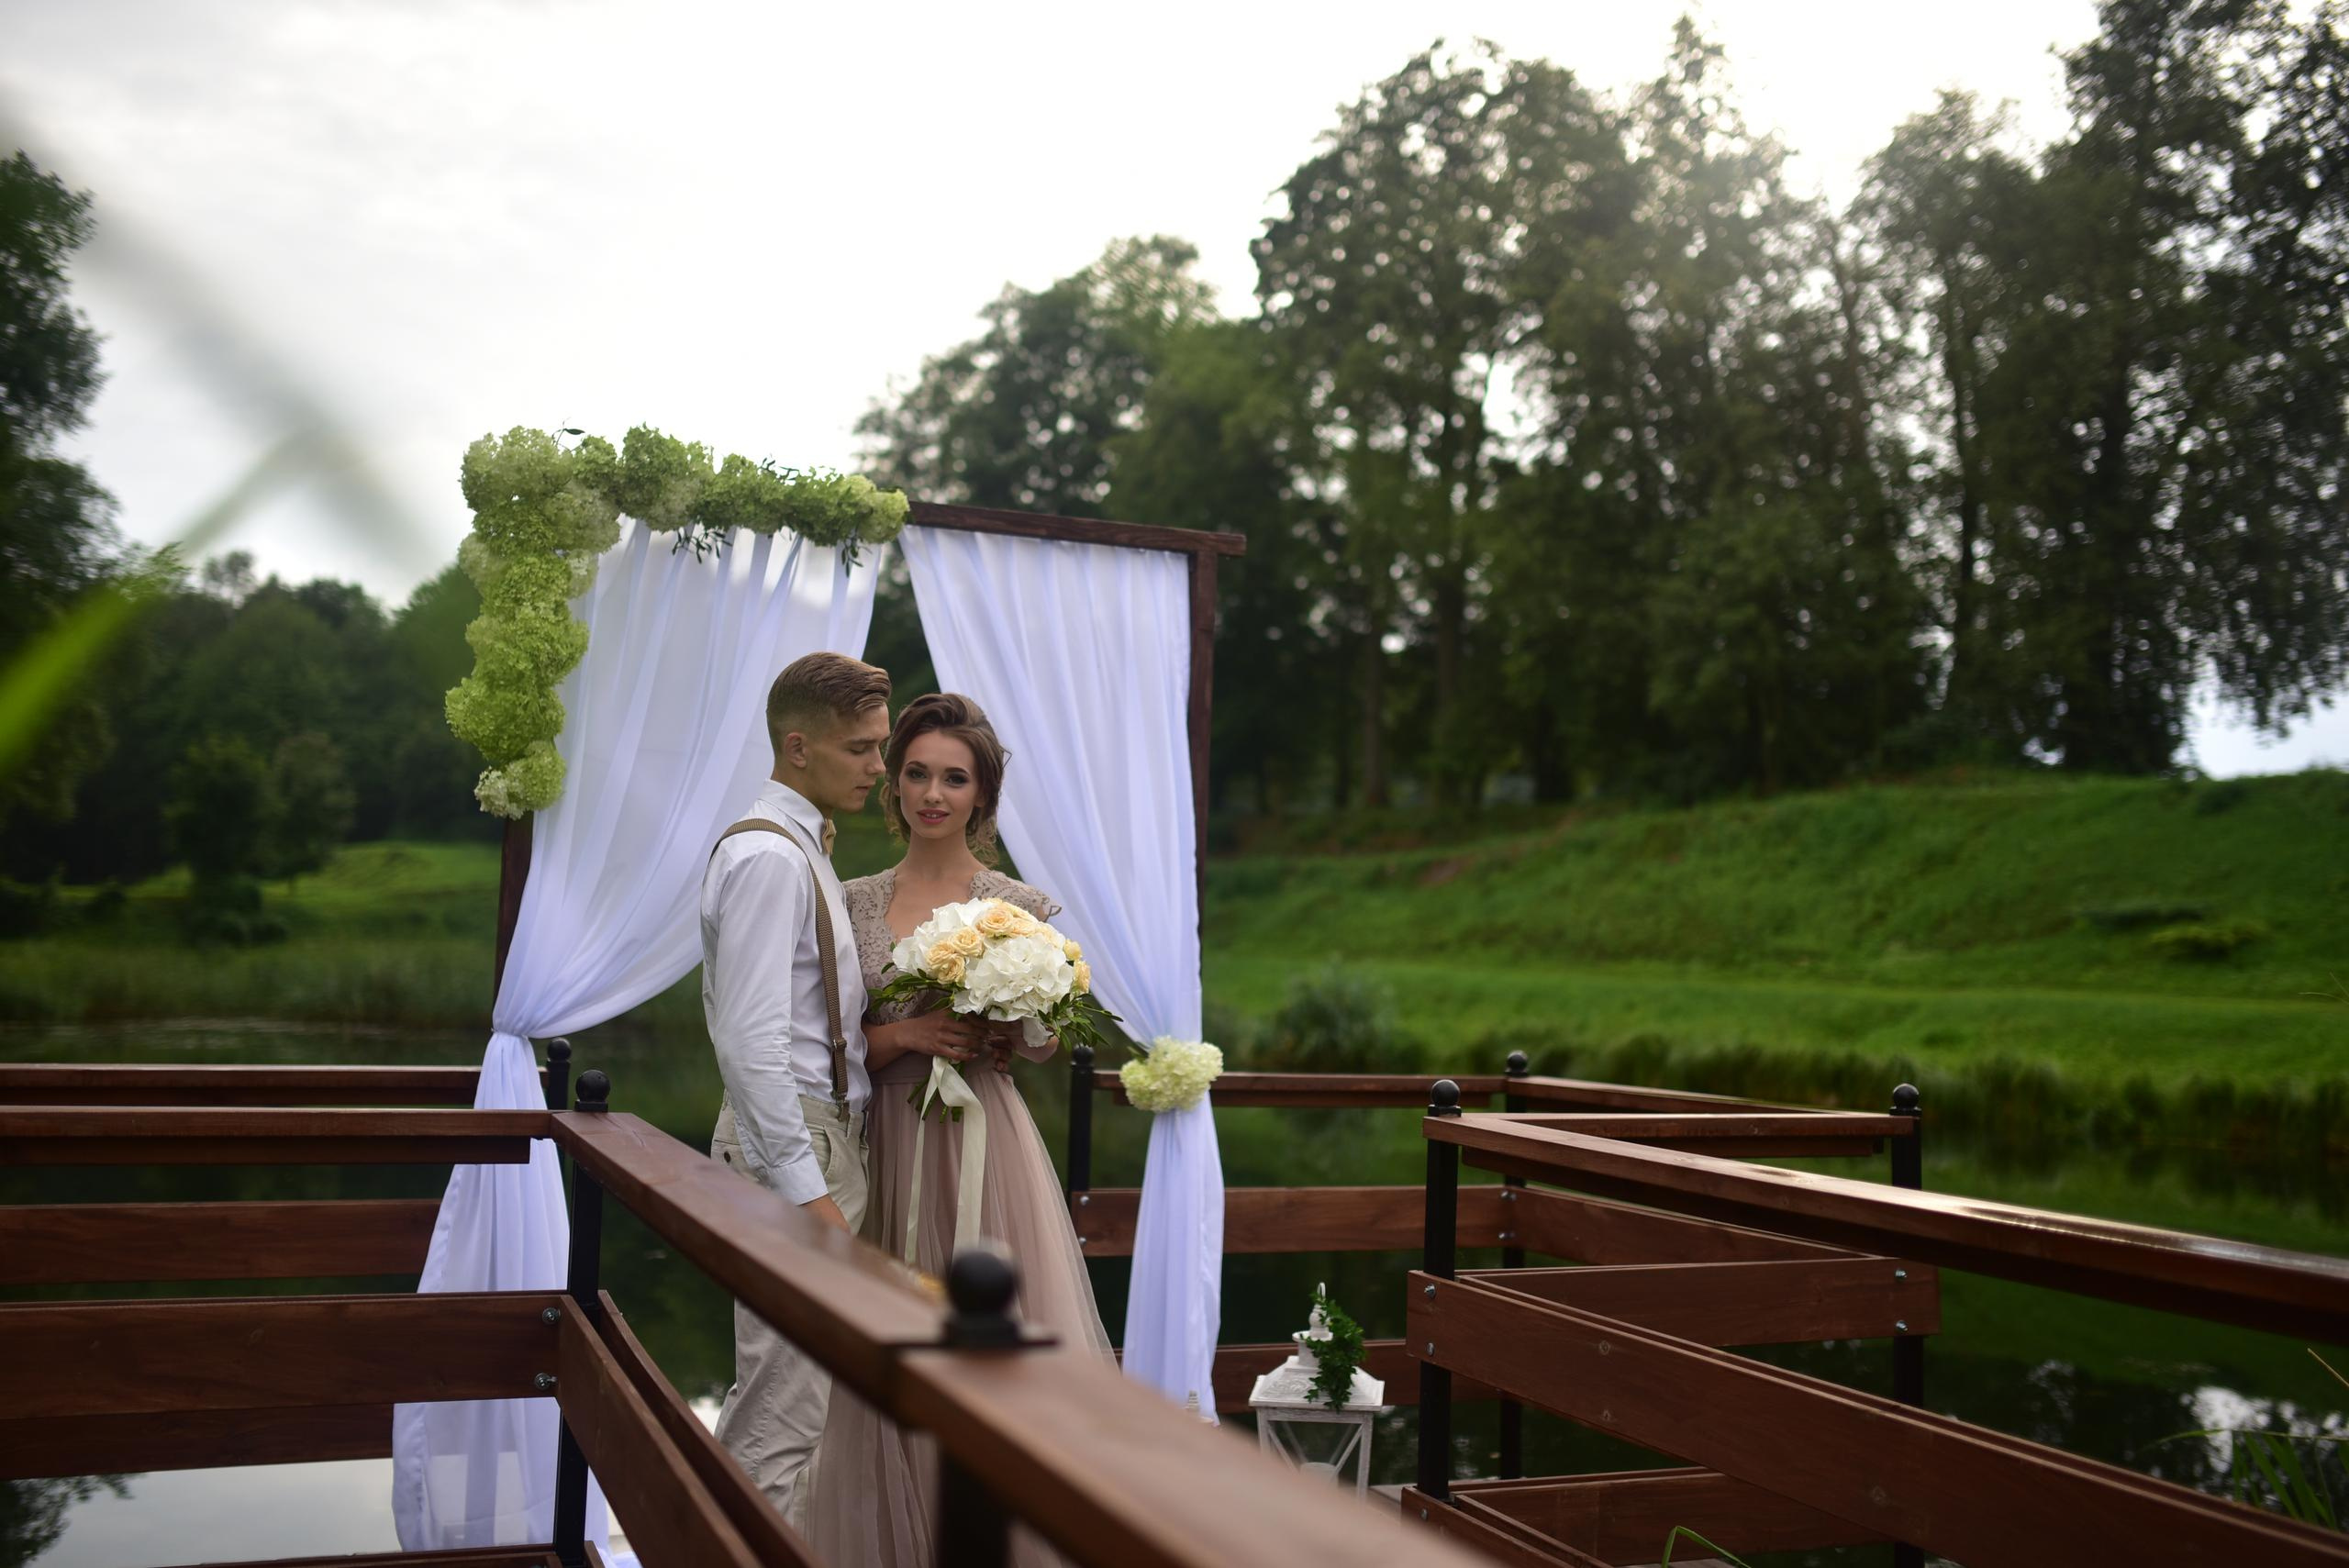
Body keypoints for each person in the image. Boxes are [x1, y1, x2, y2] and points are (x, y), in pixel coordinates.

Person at [807, 692, 1113, 1568]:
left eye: (954, 777)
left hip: (986, 1148)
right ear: (894, 782)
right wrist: (906, 1034)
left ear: (981, 795)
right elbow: (823, 1043)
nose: (932, 793)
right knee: (889, 1344)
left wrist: (1021, 1013)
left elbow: (1051, 1043)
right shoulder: (854, 899)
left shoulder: (1017, 905)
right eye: (916, 774)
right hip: (887, 1145)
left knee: (997, 1350)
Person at [702, 651, 892, 1527]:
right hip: (796, 1145)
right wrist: (807, 1191)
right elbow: (751, 1044)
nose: (879, 768)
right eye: (862, 748)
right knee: (783, 1413)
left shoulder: (801, 844)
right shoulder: (770, 859)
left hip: (820, 1137)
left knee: (798, 1402)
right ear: (798, 745)